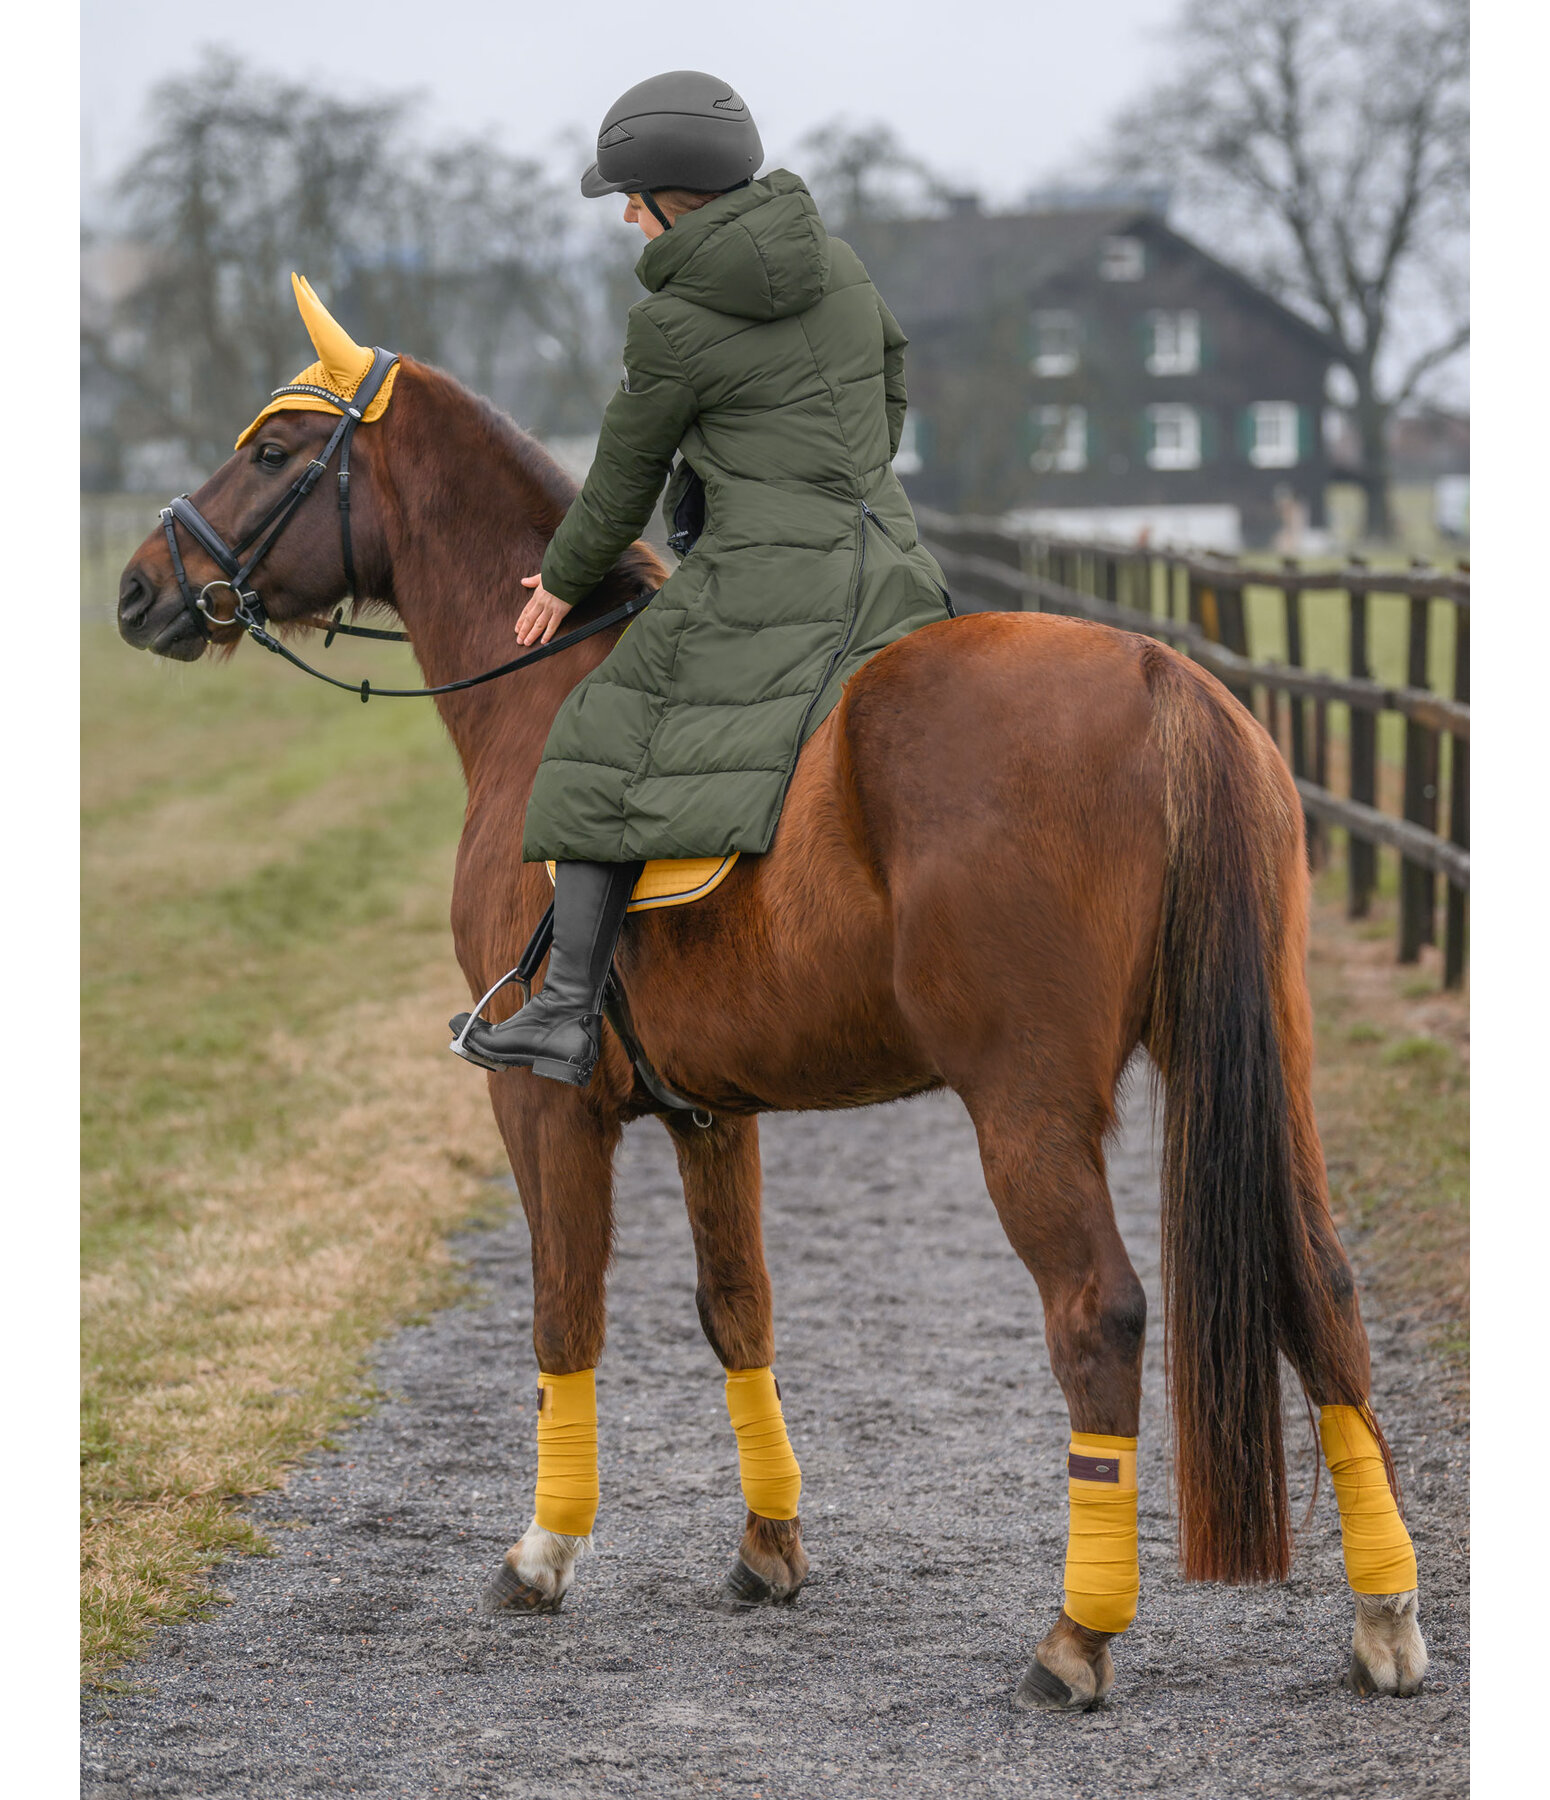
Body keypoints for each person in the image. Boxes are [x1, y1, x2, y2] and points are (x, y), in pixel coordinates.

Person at [451, 70, 953, 1085]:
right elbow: (892, 381)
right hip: (894, 564)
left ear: (674, 196)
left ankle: (561, 1011)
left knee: (600, 732)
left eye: (631, 197)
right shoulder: (841, 266)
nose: (627, 215)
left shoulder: (672, 325)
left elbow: (621, 486)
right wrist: (834, 475)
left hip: (770, 584)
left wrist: (559, 580)